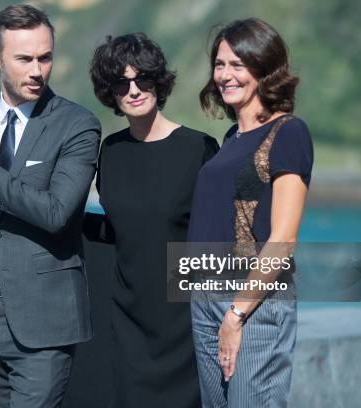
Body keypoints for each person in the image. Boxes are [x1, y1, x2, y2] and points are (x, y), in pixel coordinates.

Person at [0, 4, 101, 408]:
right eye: (25, 58)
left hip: (45, 321)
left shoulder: (77, 124)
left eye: (45, 57)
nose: (37, 70)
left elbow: (56, 213)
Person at [86, 32, 219, 408]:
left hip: (186, 326)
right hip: (128, 324)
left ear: (158, 82)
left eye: (142, 78)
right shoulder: (110, 152)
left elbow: (218, 242)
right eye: (121, 83)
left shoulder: (198, 149)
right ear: (109, 93)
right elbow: (121, 229)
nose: (134, 90)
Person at [188, 18, 313, 407]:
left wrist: (236, 314)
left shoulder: (287, 132)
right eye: (220, 64)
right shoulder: (231, 139)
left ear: (263, 69)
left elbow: (283, 239)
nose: (225, 75)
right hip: (205, 295)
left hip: (252, 304)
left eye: (238, 65)